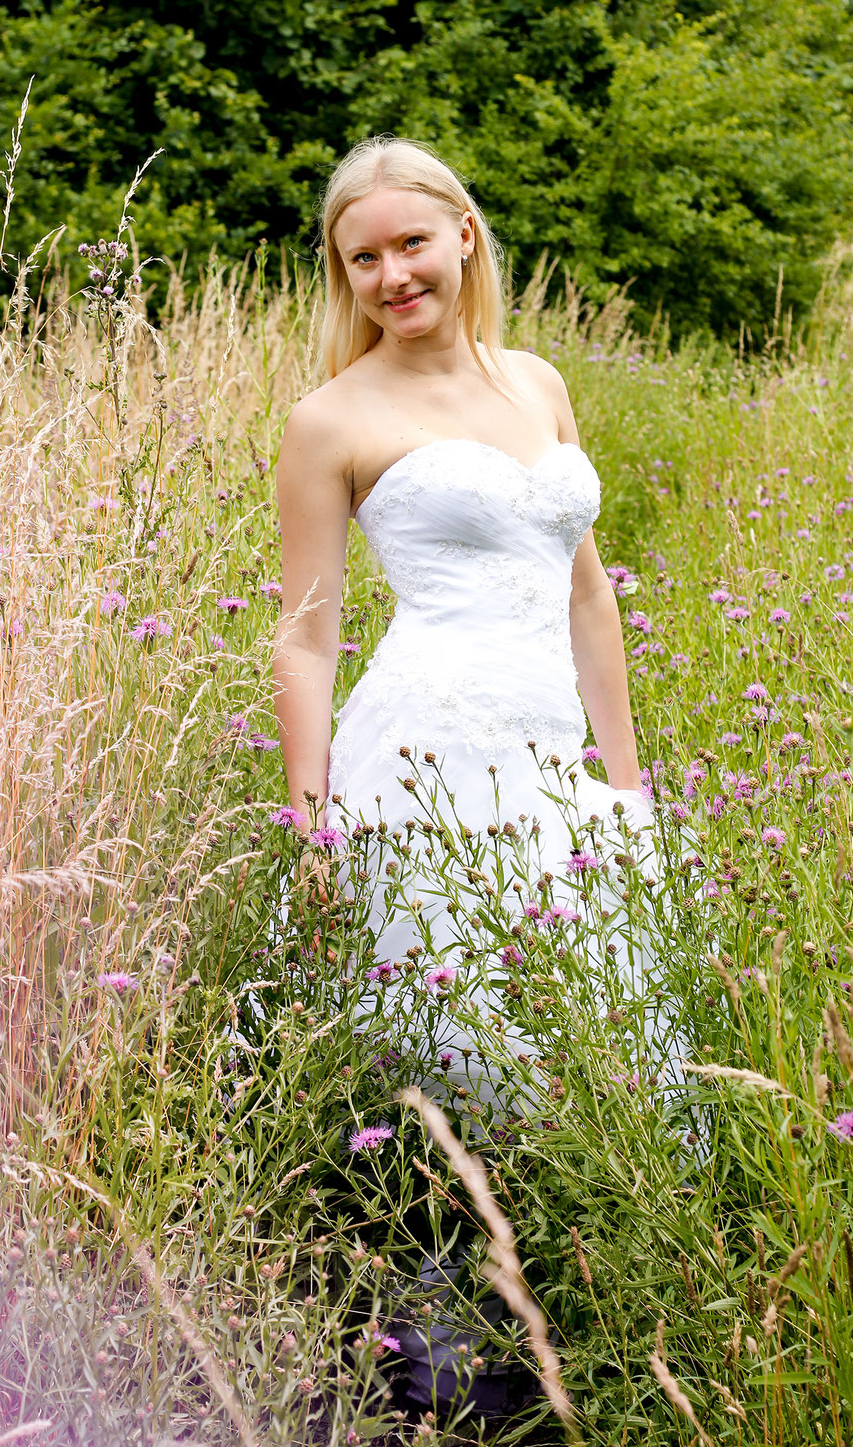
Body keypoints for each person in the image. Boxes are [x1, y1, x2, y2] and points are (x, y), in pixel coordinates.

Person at [273, 134, 658, 1092]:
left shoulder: (536, 381)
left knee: (589, 1044)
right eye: (364, 258)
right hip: (427, 759)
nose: (392, 276)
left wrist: (626, 787)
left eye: (412, 244)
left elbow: (587, 597)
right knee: (444, 1038)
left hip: (553, 753)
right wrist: (313, 826)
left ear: (466, 237)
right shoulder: (331, 420)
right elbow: (308, 640)